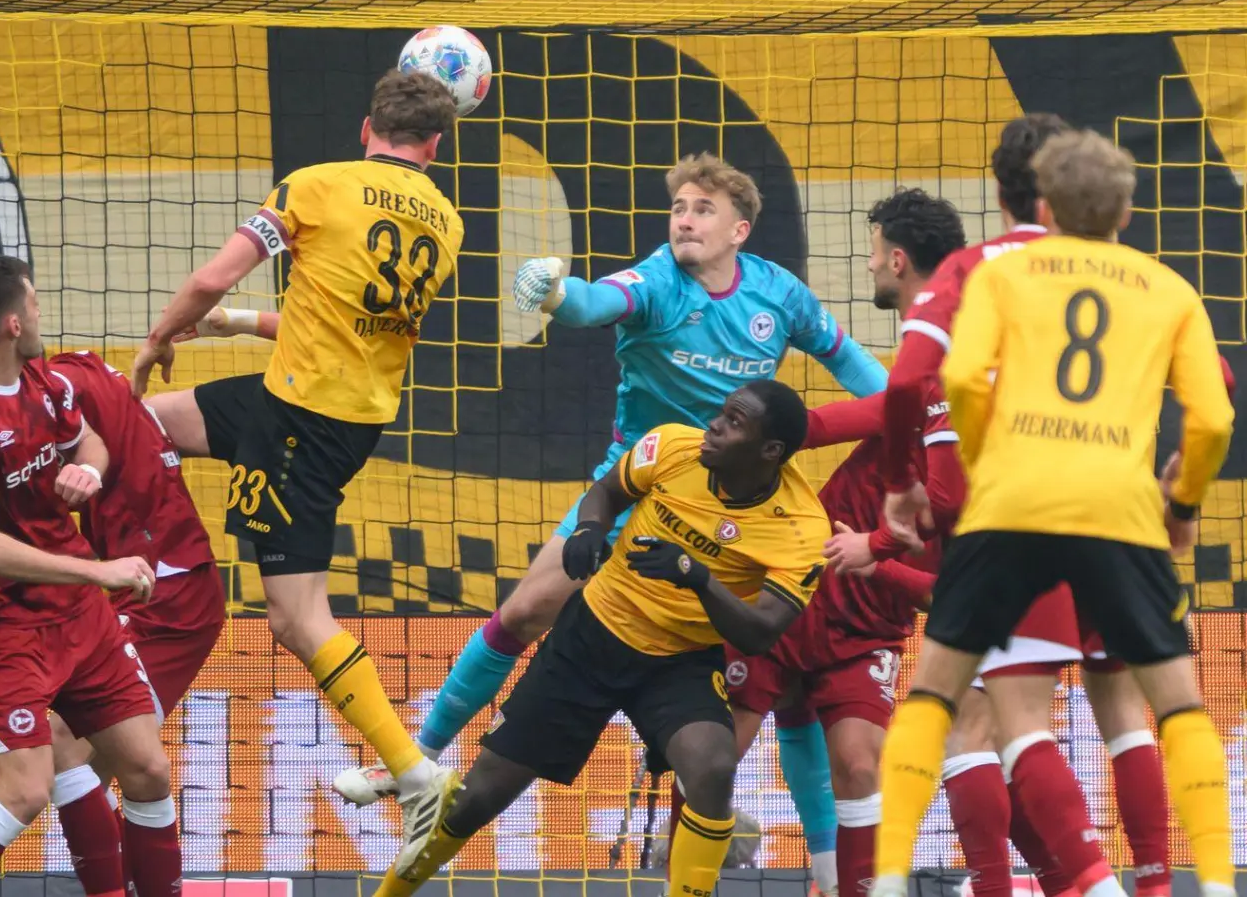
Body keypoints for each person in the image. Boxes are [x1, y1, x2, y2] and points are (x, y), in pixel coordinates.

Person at [336, 152, 888, 892]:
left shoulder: (779, 295)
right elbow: (596, 305)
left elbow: (862, 374)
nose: (684, 220)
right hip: (638, 486)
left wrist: (918, 416)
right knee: (529, 605)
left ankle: (829, 873)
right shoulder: (659, 279)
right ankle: (415, 762)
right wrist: (556, 294)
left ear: (740, 229)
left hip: (734, 518)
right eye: (679, 208)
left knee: (789, 682)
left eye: (701, 210)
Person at [870, 130, 1236, 897]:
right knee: (1163, 710)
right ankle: (1185, 883)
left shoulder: (996, 273)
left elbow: (949, 378)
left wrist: (976, 457)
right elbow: (1211, 412)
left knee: (955, 702)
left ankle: (899, 876)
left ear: (1022, 198)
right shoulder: (1162, 285)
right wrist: (1183, 501)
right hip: (1123, 511)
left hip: (1016, 511)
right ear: (1125, 211)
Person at [134, 69, 465, 869]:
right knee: (136, 426)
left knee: (295, 618)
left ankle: (416, 773)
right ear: (436, 145)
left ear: (365, 128)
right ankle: (117, 575)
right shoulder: (447, 223)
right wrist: (241, 325)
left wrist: (159, 342)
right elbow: (343, 318)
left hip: (297, 421)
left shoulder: (316, 186)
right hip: (328, 407)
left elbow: (215, 273)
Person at [371, 379, 829, 897]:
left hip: (680, 661)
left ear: (771, 451)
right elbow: (608, 492)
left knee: (713, 766)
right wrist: (590, 530)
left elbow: (761, 632)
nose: (714, 427)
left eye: (734, 423)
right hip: (591, 637)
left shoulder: (802, 527)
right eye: (720, 414)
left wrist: (695, 575)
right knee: (481, 795)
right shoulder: (674, 446)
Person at [713, 189, 967, 897]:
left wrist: (871, 554)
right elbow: (820, 424)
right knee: (713, 756)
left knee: (861, 765)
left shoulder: (974, 417)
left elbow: (947, 594)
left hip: (868, 626)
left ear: (897, 258)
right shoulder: (921, 387)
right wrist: (731, 432)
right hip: (790, 590)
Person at [0, 257, 179, 897]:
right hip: (4, 624)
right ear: (12, 322)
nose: (41, 312)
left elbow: (89, 442)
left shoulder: (43, 378)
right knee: (26, 789)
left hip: (78, 617)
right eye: (34, 304)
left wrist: (87, 471)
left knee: (148, 769)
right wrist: (99, 570)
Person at [44, 348, 226, 896]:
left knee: (62, 747)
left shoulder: (50, 390)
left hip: (165, 597)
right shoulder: (89, 373)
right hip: (141, 588)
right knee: (89, 770)